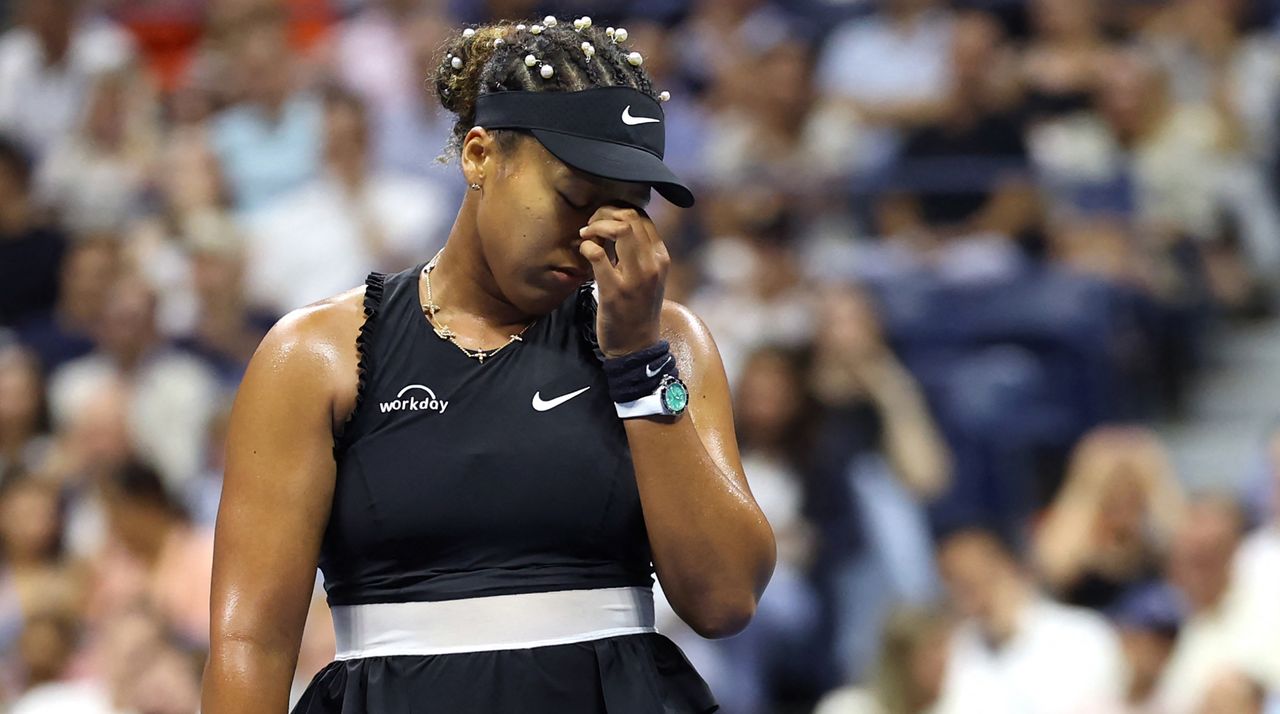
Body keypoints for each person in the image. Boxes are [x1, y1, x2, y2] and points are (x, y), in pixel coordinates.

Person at [202, 17, 777, 714]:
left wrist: (635, 363)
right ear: (480, 156)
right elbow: (250, 643)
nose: (594, 239)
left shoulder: (666, 343)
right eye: (573, 197)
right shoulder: (313, 356)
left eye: (624, 211)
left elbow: (724, 598)